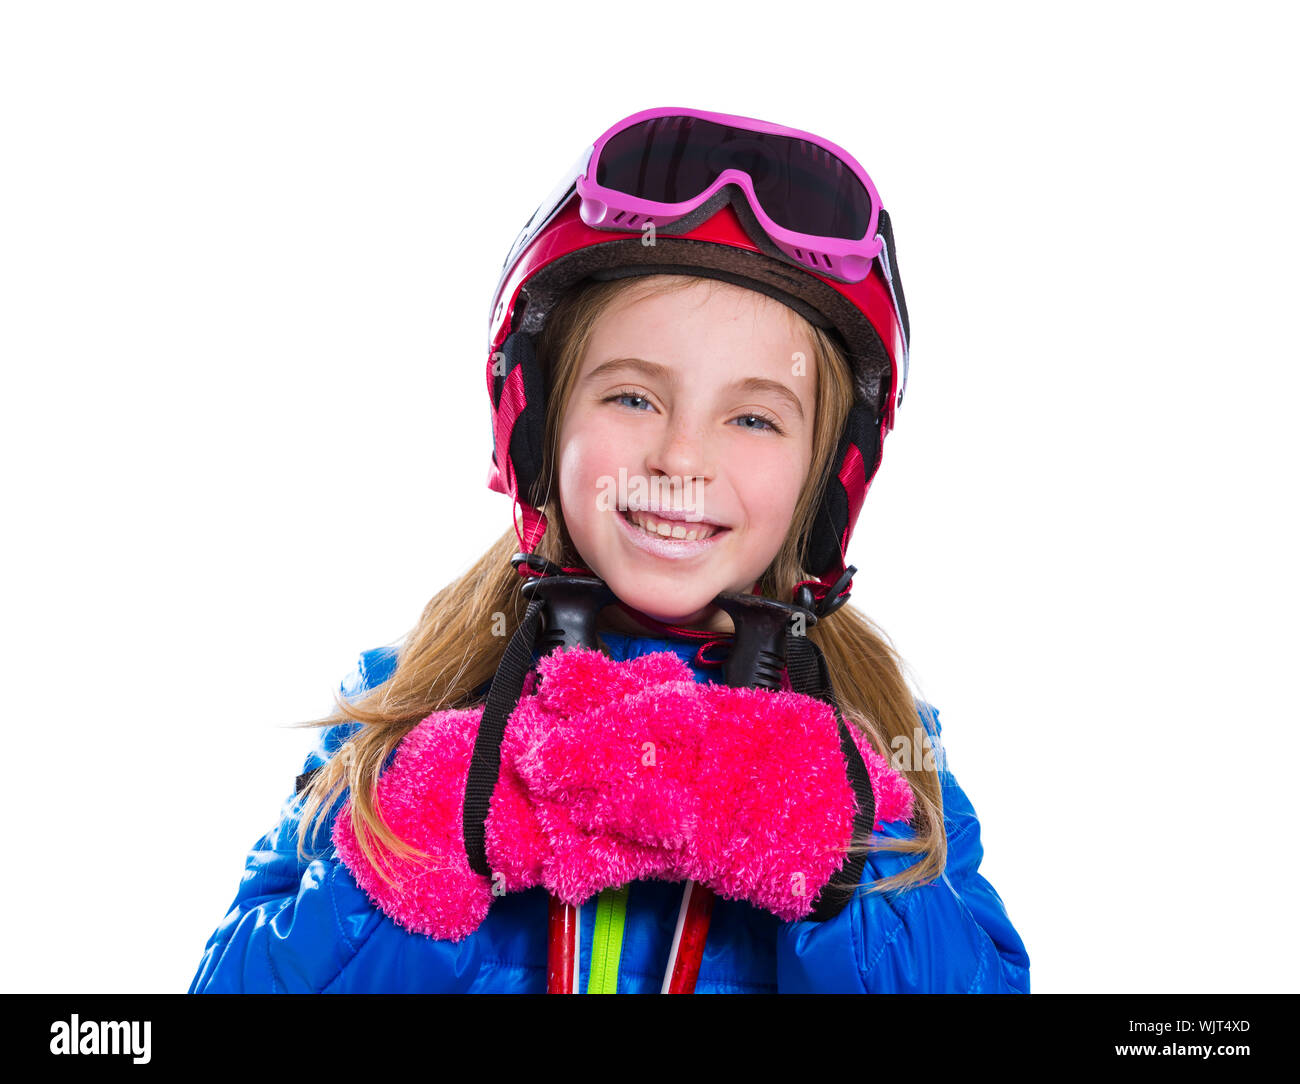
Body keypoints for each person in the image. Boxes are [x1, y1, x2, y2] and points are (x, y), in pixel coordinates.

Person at [189, 106, 1030, 994]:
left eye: (752, 417)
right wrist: (429, 843)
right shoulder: (404, 705)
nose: (680, 456)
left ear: (827, 477)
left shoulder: (879, 743)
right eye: (632, 397)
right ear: (541, 421)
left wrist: (836, 853)